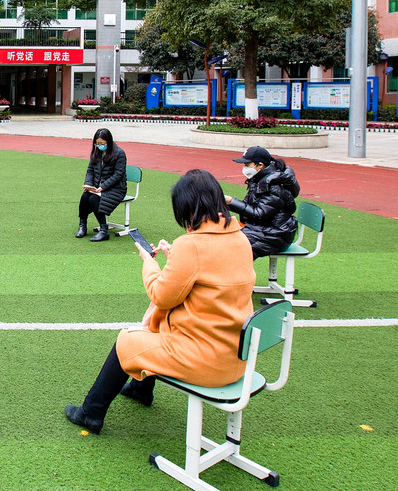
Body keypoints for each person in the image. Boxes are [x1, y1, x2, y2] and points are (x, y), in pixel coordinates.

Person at [65, 169, 255, 434]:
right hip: (235, 358)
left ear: (188, 207)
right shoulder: (240, 238)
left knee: (127, 340)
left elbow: (161, 295)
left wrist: (150, 263)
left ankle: (90, 414)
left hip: (205, 361)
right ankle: (140, 389)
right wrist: (176, 259)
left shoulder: (192, 245)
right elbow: (209, 278)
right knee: (156, 326)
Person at [225, 146, 301, 258]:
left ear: (260, 165)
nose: (244, 168)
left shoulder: (275, 186)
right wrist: (228, 204)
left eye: (247, 165)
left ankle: (235, 269)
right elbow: (252, 208)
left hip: (276, 235)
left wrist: (231, 202)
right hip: (264, 229)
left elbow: (259, 213)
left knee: (232, 246)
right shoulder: (260, 179)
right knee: (223, 239)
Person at [76, 128, 128, 242]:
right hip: (98, 187)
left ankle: (104, 231)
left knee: (94, 199)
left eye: (102, 143)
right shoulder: (97, 152)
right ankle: (82, 225)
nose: (99, 146)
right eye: (97, 143)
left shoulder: (119, 153)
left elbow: (118, 175)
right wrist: (88, 184)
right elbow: (90, 170)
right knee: (85, 197)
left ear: (108, 141)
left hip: (116, 188)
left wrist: (103, 187)